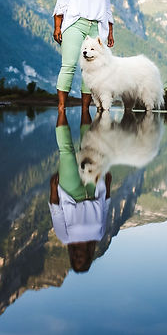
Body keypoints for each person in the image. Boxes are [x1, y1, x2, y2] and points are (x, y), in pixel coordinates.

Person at [52, 0, 114, 123]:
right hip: (75, 25)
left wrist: (110, 32)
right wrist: (57, 28)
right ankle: (61, 107)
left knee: (91, 68)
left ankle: (85, 110)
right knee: (69, 65)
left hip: (96, 28)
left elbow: (107, 10)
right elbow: (60, 6)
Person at [48, 108, 112, 272]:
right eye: (80, 260)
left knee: (66, 152)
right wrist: (108, 185)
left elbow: (56, 213)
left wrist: (53, 190)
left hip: (70, 194)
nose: (76, 257)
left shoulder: (65, 238)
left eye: (74, 259)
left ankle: (61, 108)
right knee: (89, 148)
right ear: (88, 256)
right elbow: (105, 209)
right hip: (92, 190)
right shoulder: (99, 235)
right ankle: (85, 107)